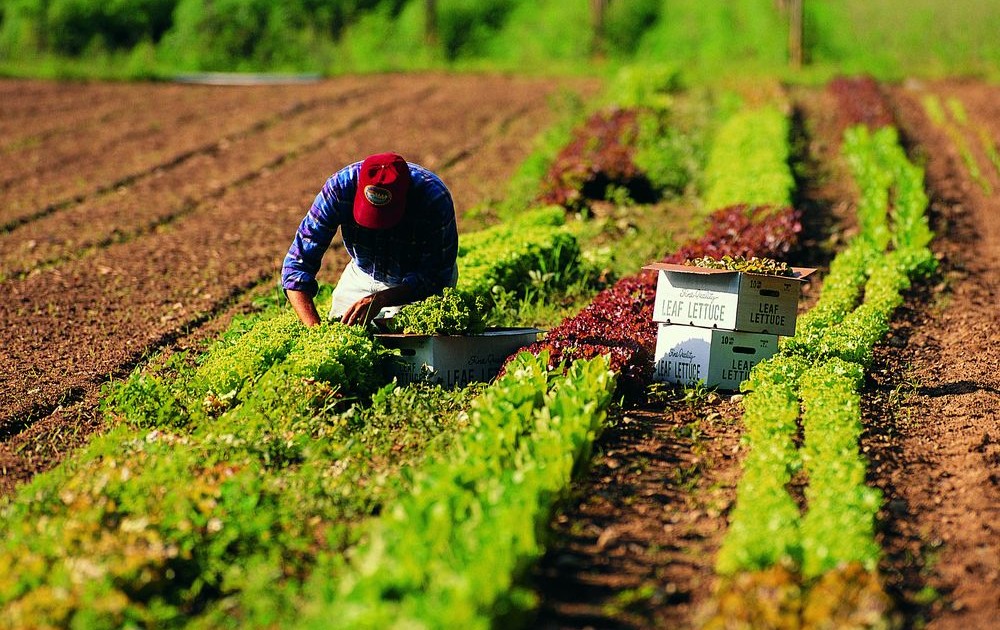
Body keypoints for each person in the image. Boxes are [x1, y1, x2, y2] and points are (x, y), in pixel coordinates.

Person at [282, 152, 458, 327]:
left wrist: (383, 298)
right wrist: (314, 330)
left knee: (410, 346)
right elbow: (297, 264)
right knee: (342, 328)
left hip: (416, 283)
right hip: (362, 273)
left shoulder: (434, 199)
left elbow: (434, 277)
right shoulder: (339, 189)